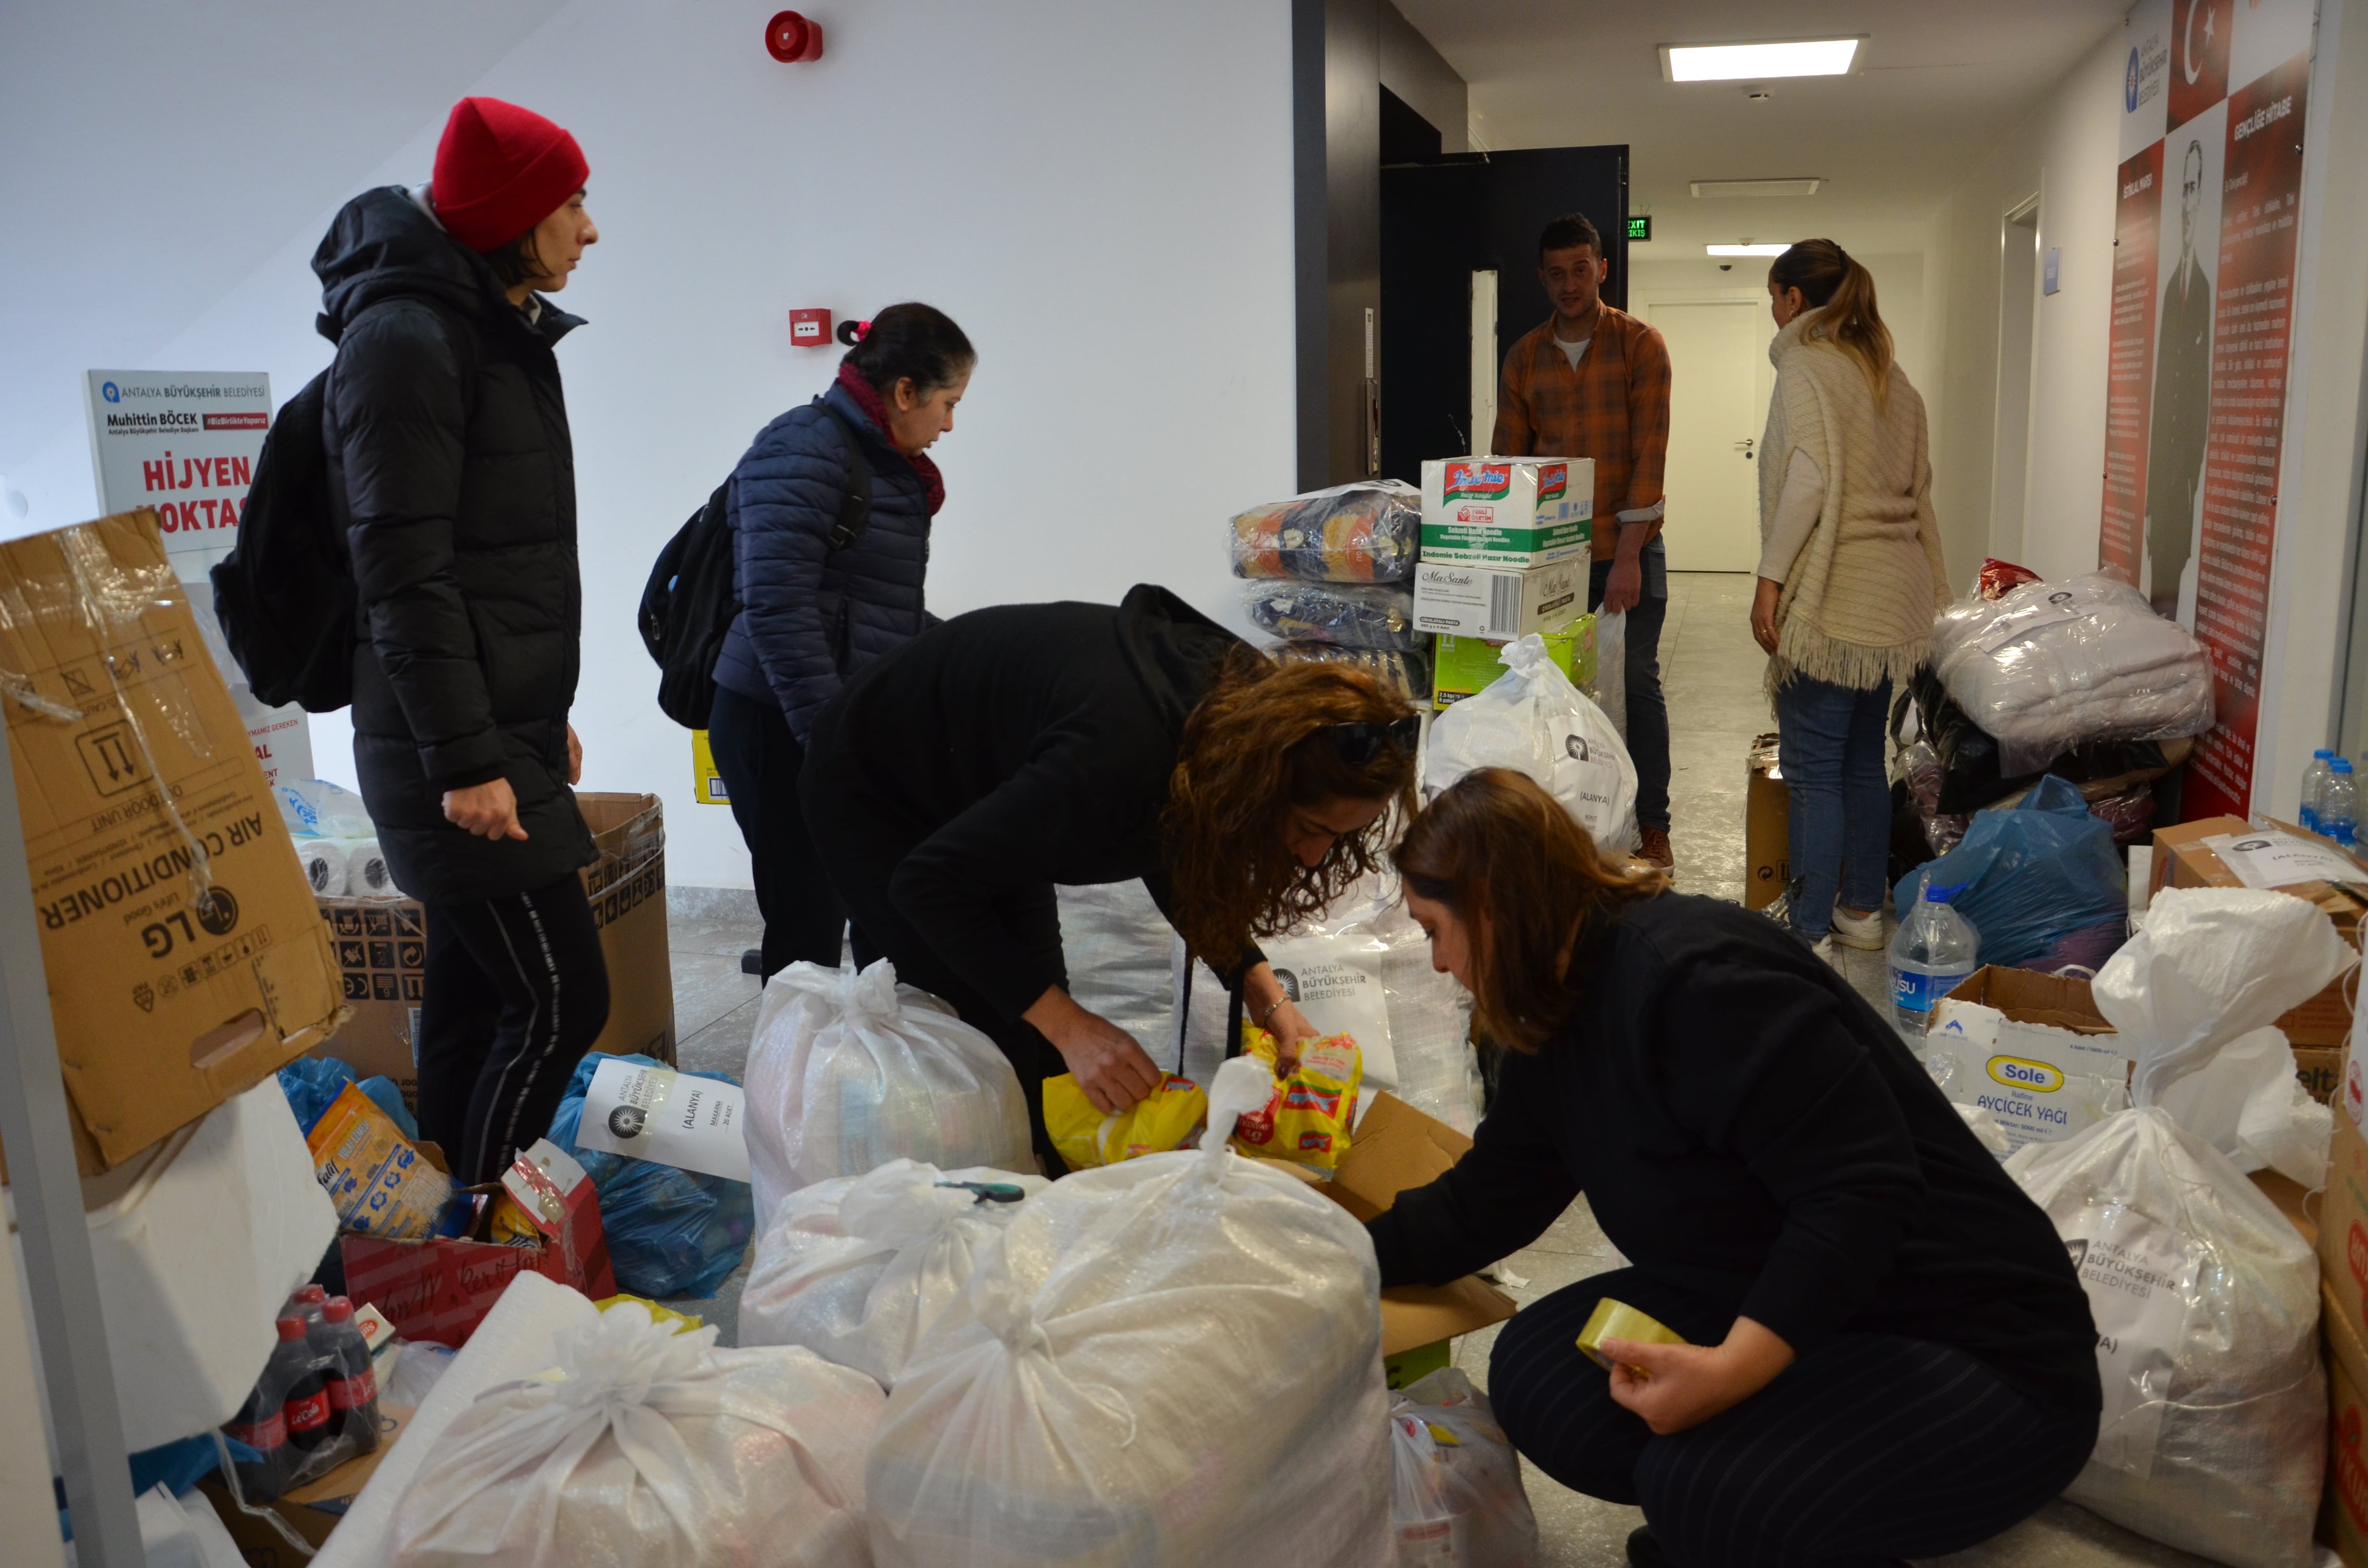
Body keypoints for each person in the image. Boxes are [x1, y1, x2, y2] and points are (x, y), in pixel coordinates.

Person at [1375, 769, 2101, 1568]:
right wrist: (1333, 1253)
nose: (1437, 961)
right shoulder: (1552, 1006)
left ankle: (1755, 1511)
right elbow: (1486, 1200)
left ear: (1491, 910)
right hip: (1809, 1297)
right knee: (1539, 1375)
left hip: (1972, 1340)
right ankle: (1748, 1512)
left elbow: (1859, 1192)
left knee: (1703, 1488)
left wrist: (1727, 1372)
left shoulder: (1695, 981)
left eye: (1432, 927)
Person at [800, 586, 1418, 1166]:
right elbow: (928, 885)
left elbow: (1172, 847)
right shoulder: (1115, 757)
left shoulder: (1241, 728)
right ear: (1263, 787)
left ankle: (1037, 1197)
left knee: (1041, 1046)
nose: (1312, 859)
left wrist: (1263, 991)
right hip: (876, 789)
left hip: (984, 791)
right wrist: (1072, 1027)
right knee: (978, 1043)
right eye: (1311, 829)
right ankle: (950, 1207)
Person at [315, 97, 610, 1185]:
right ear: (515, 214)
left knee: (475, 997)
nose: (589, 227)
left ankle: (444, 1231)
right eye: (572, 201)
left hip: (489, 729)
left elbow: (496, 566)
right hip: (446, 751)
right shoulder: (409, 339)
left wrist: (535, 717)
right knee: (564, 998)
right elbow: (403, 567)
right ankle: (491, 1224)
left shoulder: (487, 329)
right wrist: (469, 756)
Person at [708, 303, 975, 979]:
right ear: (905, 391)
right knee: (806, 926)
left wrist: (977, 653)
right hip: (778, 722)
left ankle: (860, 1077)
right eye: (947, 403)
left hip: (828, 720)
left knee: (872, 907)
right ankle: (791, 1082)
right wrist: (831, 740)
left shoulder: (878, 460)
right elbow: (776, 606)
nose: (950, 424)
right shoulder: (804, 444)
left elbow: (870, 608)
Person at [1750, 239, 1948, 957]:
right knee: (1863, 759)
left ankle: (1805, 931)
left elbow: (1807, 482)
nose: (1773, 313)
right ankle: (1862, 910)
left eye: (1775, 298)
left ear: (1793, 299)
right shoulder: (1893, 380)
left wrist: (1770, 581)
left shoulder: (1806, 369)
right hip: (1895, 594)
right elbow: (1920, 491)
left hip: (1836, 597)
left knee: (1812, 769)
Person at [1492, 211, 1674, 868]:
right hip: (1553, 562)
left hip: (1625, 551)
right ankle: (1568, 824)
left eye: (1581, 269)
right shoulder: (1524, 356)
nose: (1570, 284)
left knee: (1636, 684)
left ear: (1602, 268)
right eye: (1556, 273)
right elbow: (1506, 469)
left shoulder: (1639, 345)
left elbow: (1648, 460)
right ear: (1543, 278)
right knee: (1554, 691)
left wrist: (1626, 559)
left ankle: (1652, 827)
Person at [2146, 138, 2212, 619]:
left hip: (2182, 482)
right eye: (2181, 187)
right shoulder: (2172, 287)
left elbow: (2199, 391)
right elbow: (2158, 389)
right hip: (2162, 481)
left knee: (2171, 605)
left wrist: (2188, 478)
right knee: (2156, 594)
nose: (2186, 201)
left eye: (2193, 188)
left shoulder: (2202, 290)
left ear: (2199, 198)